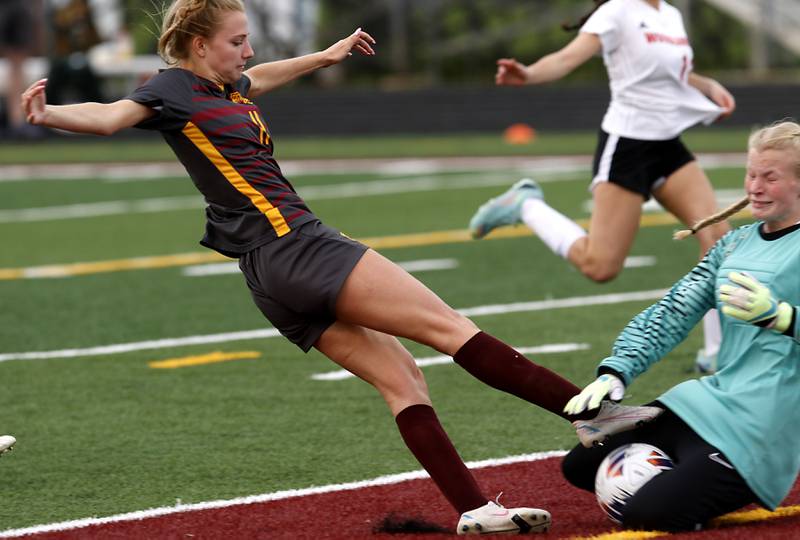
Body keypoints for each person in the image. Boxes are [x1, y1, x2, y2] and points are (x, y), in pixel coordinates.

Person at [21, 0, 661, 534]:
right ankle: (586, 415)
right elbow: (109, 118)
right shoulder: (170, 89)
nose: (247, 52)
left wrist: (325, 57)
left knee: (403, 381)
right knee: (449, 327)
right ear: (196, 44)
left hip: (269, 279)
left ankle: (473, 511)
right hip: (298, 247)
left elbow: (263, 77)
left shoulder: (225, 87)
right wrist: (51, 115)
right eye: (236, 41)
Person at [468, 0, 736, 374]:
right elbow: (566, 59)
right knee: (601, 266)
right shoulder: (617, 11)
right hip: (627, 145)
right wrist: (527, 74)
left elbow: (673, 71)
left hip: (668, 145)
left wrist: (707, 85)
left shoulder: (671, 15)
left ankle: (717, 353)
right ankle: (525, 204)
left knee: (718, 238)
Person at [560, 120, 800, 532]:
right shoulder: (736, 243)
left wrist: (782, 318)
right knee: (580, 466)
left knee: (646, 514)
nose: (754, 187)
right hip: (709, 403)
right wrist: (617, 370)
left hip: (760, 430)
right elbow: (674, 309)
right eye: (751, 174)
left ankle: (697, 483)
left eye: (770, 177)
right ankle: (688, 475)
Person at [0, 0, 37, 138]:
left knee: (17, 63)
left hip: (17, 4)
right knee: (16, 64)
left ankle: (17, 122)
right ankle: (16, 122)